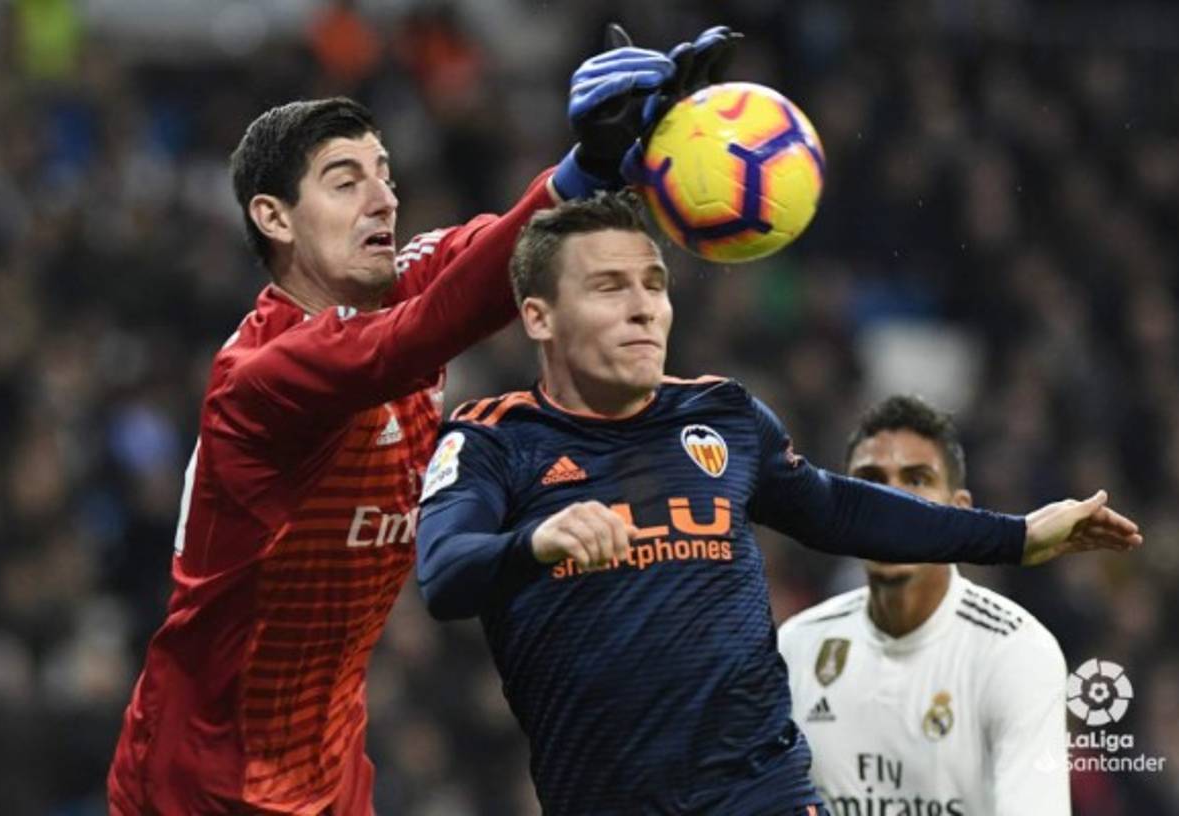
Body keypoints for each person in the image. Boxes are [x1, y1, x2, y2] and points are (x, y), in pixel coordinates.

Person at [104, 25, 729, 813]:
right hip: (204, 778)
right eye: (345, 182)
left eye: (385, 174)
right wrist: (584, 168)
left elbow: (499, 251)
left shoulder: (396, 282)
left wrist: (629, 165)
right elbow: (435, 324)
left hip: (330, 767)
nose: (384, 199)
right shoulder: (267, 375)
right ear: (274, 217)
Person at [414, 191, 1141, 815]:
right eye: (609, 287)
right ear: (539, 318)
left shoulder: (723, 415)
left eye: (654, 283)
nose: (644, 310)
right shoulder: (495, 441)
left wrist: (1015, 535)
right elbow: (445, 574)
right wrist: (534, 543)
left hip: (763, 791)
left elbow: (837, 510)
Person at [777, 395, 1069, 816]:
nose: (892, 507)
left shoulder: (1016, 652)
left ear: (960, 513)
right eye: (871, 482)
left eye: (916, 480)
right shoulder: (797, 647)